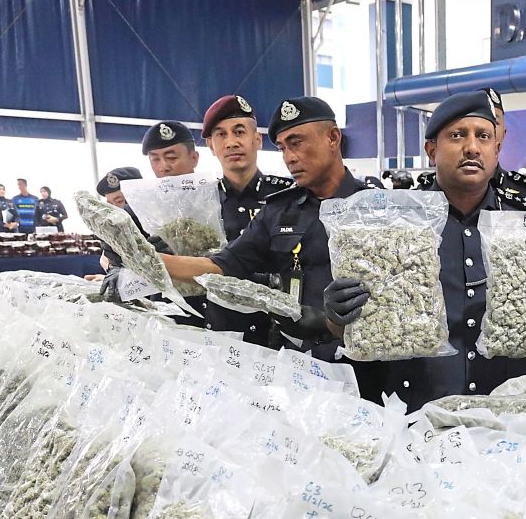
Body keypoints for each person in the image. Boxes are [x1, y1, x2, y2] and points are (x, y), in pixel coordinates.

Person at [323, 91, 526, 410]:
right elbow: (346, 328)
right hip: (412, 413)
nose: (472, 147)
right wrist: (338, 317)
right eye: (458, 135)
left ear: (496, 149)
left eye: (483, 136)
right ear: (432, 150)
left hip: (504, 411)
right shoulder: (389, 223)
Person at [160, 96, 375, 357]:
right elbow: (221, 266)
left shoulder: (378, 206)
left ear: (332, 138)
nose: (289, 158)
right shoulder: (278, 211)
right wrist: (140, 257)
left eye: (296, 143)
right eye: (283, 148)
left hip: (370, 357)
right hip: (302, 362)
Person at [197, 94, 296, 343]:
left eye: (239, 132)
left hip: (281, 337)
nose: (231, 142)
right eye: (221, 135)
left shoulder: (288, 197)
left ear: (257, 140)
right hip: (219, 335)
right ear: (211, 146)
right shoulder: (200, 204)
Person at [482, 87, 526, 200]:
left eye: (495, 122)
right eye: (484, 120)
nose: (488, 129)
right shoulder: (448, 188)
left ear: (504, 134)